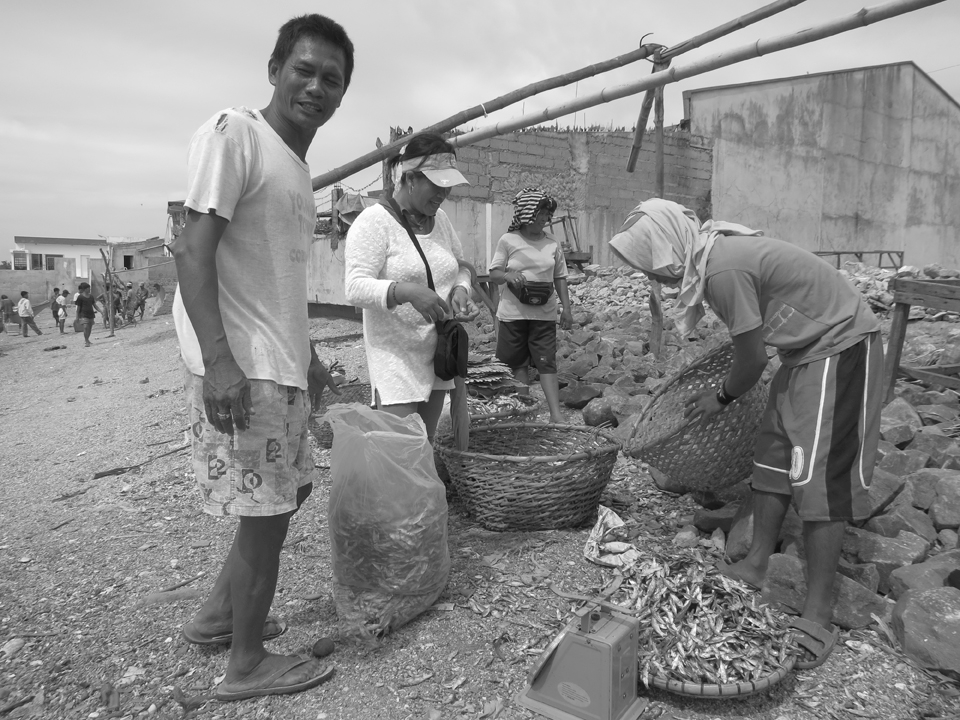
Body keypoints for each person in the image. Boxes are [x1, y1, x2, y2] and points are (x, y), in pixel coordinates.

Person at [609, 198, 882, 670]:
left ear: (669, 246)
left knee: (818, 476)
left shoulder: (720, 268)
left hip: (839, 345)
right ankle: (757, 562)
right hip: (802, 353)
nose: (655, 277)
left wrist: (721, 397)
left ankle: (818, 612)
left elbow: (751, 361)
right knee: (772, 456)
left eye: (651, 266)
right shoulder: (713, 258)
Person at [170, 13, 351, 703]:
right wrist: (219, 363)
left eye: (331, 79)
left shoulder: (297, 166)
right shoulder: (235, 133)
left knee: (285, 496)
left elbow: (275, 275)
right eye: (303, 70)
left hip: (278, 363)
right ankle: (246, 663)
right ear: (275, 70)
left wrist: (309, 360)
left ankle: (219, 615)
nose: (315, 86)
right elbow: (193, 249)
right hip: (244, 368)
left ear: (341, 96)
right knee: (269, 511)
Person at [344, 132, 479, 443]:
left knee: (422, 447)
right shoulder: (373, 222)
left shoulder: (441, 220)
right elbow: (354, 287)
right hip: (395, 358)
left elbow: (461, 267)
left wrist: (461, 291)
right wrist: (405, 291)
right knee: (399, 453)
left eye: (448, 185)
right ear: (410, 178)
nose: (443, 193)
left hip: (437, 353)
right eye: (436, 184)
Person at [488, 187, 573, 423]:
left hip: (544, 315)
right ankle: (522, 414)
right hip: (513, 315)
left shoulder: (553, 243)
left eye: (547, 214)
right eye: (541, 214)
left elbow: (560, 277)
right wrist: (507, 275)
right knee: (518, 364)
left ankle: (556, 416)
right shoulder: (508, 240)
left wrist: (566, 309)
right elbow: (493, 273)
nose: (546, 219)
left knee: (547, 364)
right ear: (526, 214)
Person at [74, 282, 99, 347]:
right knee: (85, 327)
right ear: (85, 289)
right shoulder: (80, 297)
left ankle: (87, 339)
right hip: (83, 315)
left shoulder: (91, 296)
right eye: (88, 288)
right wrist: (77, 317)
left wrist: (101, 311)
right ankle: (86, 341)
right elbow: (78, 308)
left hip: (91, 314)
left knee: (89, 329)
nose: (89, 289)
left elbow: (95, 305)